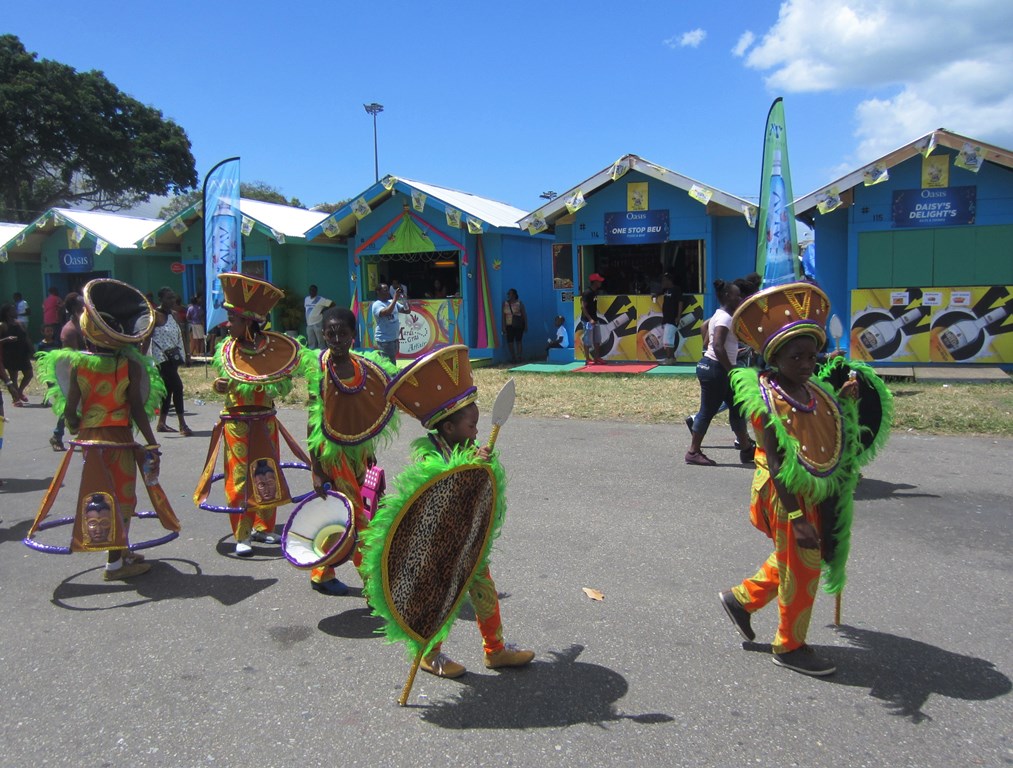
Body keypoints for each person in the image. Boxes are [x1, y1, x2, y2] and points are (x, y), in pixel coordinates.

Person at [718, 281, 889, 677]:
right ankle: (789, 645)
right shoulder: (764, 400)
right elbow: (778, 464)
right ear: (775, 357)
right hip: (787, 495)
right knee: (803, 564)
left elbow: (822, 429)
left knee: (799, 558)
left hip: (815, 492)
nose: (808, 363)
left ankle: (741, 600)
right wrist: (797, 520)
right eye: (797, 356)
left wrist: (844, 403)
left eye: (813, 355)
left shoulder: (813, 390)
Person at [371, 345, 534, 679]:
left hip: (468, 542)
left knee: (485, 592)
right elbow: (437, 491)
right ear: (448, 429)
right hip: (437, 551)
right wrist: (467, 469)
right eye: (472, 425)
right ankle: (430, 655)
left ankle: (496, 650)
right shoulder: (430, 457)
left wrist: (482, 463)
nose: (477, 431)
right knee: (435, 600)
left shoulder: (467, 447)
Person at [28, 278, 180, 580]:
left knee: (99, 495)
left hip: (92, 443)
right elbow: (137, 409)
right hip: (120, 442)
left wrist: (78, 430)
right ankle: (114, 565)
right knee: (122, 497)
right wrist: (151, 443)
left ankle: (120, 550)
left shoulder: (79, 365)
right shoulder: (129, 366)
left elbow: (71, 412)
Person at [194, 273, 311, 557]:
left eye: (233, 320)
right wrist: (218, 385)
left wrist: (269, 383)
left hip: (265, 420)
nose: (228, 324)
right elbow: (222, 383)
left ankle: (264, 526)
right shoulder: (226, 349)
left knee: (266, 471)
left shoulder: (272, 350)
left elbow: (283, 384)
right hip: (236, 423)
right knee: (239, 477)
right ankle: (242, 533)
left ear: (248, 322)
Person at [299, 306, 398, 595]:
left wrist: (367, 448)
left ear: (353, 335)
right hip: (331, 456)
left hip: (357, 453)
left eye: (343, 333)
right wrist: (316, 469)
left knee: (340, 514)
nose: (336, 339)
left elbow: (363, 411)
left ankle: (322, 572)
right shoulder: (319, 368)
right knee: (356, 517)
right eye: (330, 333)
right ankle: (373, 589)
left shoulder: (362, 367)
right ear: (324, 335)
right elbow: (313, 421)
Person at [685, 279, 755, 466]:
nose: (740, 298)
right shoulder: (724, 318)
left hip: (717, 367)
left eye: (741, 295)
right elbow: (716, 346)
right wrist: (732, 371)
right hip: (717, 369)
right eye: (736, 295)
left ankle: (747, 449)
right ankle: (693, 452)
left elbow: (706, 334)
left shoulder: (721, 315)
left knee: (737, 408)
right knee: (707, 411)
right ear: (727, 297)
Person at [145, 287, 193, 437]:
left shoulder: (174, 315)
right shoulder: (154, 316)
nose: (172, 300)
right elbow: (146, 337)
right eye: (168, 298)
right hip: (161, 359)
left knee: (168, 390)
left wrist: (187, 353)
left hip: (174, 357)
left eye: (173, 297)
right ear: (161, 300)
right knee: (178, 386)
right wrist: (141, 358)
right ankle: (182, 424)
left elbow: (181, 334)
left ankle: (161, 423)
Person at [0, 304, 33, 405]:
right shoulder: (2, 325)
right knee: (13, 377)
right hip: (10, 353)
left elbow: (26, 337)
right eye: (13, 310)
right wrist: (7, 339)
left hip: (22, 352)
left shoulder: (20, 323)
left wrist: (32, 349)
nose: (15, 311)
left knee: (29, 374)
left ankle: (19, 392)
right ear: (7, 313)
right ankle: (16, 399)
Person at [371, 283, 410, 363]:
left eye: (388, 290)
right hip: (384, 339)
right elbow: (387, 312)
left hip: (394, 338)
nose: (388, 292)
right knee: (389, 363)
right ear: (378, 292)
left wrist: (404, 300)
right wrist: (395, 299)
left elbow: (407, 311)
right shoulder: (377, 304)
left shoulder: (391, 302)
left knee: (391, 360)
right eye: (385, 290)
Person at [653, 272, 684, 365]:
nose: (662, 282)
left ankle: (669, 358)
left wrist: (678, 316)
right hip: (667, 318)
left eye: (664, 280)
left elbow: (680, 302)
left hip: (672, 318)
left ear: (669, 280)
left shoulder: (676, 289)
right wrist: (655, 295)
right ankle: (673, 358)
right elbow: (659, 293)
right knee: (669, 338)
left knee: (667, 339)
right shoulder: (666, 290)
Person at [580, 273, 606, 365]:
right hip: (588, 320)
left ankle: (597, 358)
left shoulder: (595, 292)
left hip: (595, 319)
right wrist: (590, 319)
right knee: (588, 340)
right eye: (599, 281)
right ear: (594, 282)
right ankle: (587, 359)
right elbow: (583, 307)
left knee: (597, 339)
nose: (601, 282)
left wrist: (594, 319)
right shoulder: (587, 293)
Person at [304, 284, 335, 350]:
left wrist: (323, 310)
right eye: (311, 290)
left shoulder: (320, 299)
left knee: (320, 340)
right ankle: (312, 353)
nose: (312, 291)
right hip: (309, 324)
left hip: (317, 323)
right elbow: (306, 309)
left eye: (313, 290)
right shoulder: (306, 299)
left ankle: (322, 353)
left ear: (316, 291)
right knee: (311, 341)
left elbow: (332, 304)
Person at [502, 288, 527, 363]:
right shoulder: (505, 303)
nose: (509, 295)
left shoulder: (519, 303)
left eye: (510, 293)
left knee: (518, 341)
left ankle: (519, 357)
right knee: (510, 342)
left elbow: (524, 315)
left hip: (518, 324)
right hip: (509, 325)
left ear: (514, 294)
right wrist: (503, 326)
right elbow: (503, 316)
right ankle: (513, 357)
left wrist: (525, 325)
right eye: (508, 294)